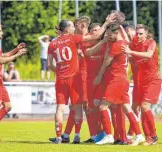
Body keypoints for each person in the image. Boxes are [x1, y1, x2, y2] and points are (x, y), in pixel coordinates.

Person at [47, 14, 115, 144]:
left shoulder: (58, 42)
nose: (75, 26)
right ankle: (75, 135)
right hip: (76, 77)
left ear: (82, 25)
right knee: (79, 107)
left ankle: (69, 135)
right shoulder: (75, 39)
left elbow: (50, 64)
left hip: (79, 77)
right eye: (73, 25)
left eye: (76, 24)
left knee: (80, 107)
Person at [93, 23, 144, 145]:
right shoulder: (126, 43)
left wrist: (99, 76)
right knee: (126, 108)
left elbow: (106, 62)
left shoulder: (117, 45)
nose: (109, 36)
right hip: (123, 79)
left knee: (102, 107)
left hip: (116, 80)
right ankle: (139, 135)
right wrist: (120, 26)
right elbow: (126, 37)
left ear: (117, 34)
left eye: (110, 34)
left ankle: (109, 135)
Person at [122, 24, 162, 145]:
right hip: (140, 82)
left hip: (153, 80)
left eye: (140, 33)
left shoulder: (151, 42)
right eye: (137, 33)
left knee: (144, 106)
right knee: (136, 108)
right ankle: (145, 136)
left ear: (146, 34)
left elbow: (149, 54)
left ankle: (153, 136)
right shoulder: (134, 43)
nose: (138, 35)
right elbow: (126, 40)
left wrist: (131, 52)